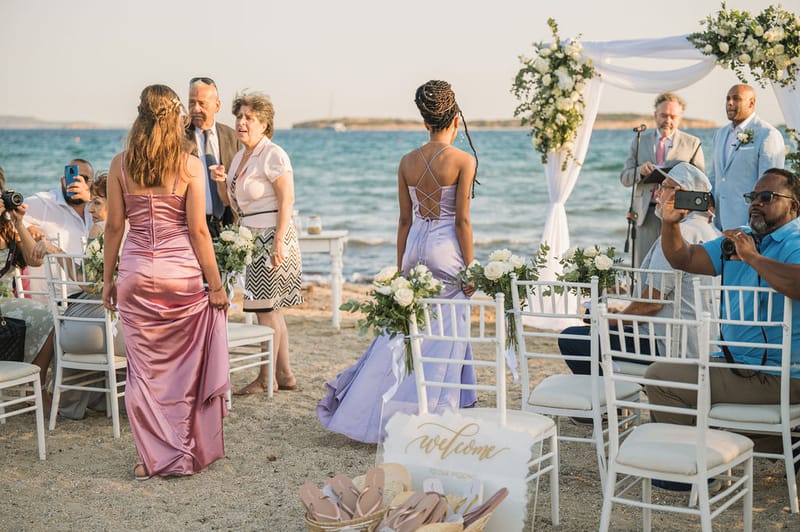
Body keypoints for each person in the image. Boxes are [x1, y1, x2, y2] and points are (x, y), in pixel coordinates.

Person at [316, 79, 480, 443]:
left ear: (425, 122)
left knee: (407, 330)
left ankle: (369, 408)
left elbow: (404, 220)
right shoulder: (463, 160)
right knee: (446, 331)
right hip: (446, 250)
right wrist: (471, 268)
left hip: (414, 250)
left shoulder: (406, 161)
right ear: (455, 119)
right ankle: (434, 411)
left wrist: (400, 270)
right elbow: (462, 221)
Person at [102, 84, 230, 480]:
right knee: (182, 372)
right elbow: (198, 232)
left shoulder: (120, 165)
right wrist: (216, 285)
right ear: (176, 118)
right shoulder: (189, 166)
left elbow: (114, 228)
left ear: (139, 116)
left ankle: (149, 459)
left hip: (136, 275)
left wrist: (107, 280)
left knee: (143, 372)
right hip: (181, 277)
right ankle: (181, 451)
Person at [648, 168, 800, 459]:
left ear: (793, 206)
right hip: (736, 364)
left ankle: (692, 468)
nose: (756, 203)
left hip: (782, 375)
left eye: (766, 197)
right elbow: (684, 257)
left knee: (662, 379)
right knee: (669, 381)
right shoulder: (742, 238)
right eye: (752, 197)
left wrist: (752, 258)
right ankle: (705, 460)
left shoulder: (794, 242)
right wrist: (670, 225)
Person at [560, 163, 720, 375]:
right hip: (704, 345)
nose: (658, 193)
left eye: (663, 187)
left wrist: (610, 320)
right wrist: (620, 315)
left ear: (679, 194)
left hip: (667, 345)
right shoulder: (714, 234)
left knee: (571, 338)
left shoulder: (677, 237)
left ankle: (611, 394)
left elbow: (652, 303)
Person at [211, 91, 303, 394]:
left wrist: (279, 241)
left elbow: (287, 199)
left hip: (272, 236)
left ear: (264, 124)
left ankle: (266, 378)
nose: (241, 122)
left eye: (249, 118)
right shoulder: (239, 157)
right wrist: (220, 182)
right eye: (239, 116)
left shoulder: (273, 154)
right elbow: (231, 204)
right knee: (271, 310)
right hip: (250, 238)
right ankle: (285, 375)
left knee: (266, 310)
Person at [621, 92, 704, 267]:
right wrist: (640, 171)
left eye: (673, 116)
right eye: (664, 115)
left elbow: (700, 182)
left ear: (680, 118)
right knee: (643, 265)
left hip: (677, 213)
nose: (668, 120)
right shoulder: (639, 141)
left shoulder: (692, 143)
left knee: (673, 266)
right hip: (646, 214)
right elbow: (625, 178)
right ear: (655, 115)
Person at [0, 166, 55, 400]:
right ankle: (36, 389)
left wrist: (19, 223)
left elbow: (35, 261)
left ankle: (36, 385)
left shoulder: (7, 227)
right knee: (50, 317)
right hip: (5, 305)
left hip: (7, 302)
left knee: (54, 316)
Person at [708, 84, 785, 231]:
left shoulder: (768, 134)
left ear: (751, 103)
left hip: (749, 223)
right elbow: (714, 176)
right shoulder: (720, 134)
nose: (730, 103)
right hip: (718, 224)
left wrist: (754, 226)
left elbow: (770, 187)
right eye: (728, 99)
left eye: (736, 99)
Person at [21, 158, 94, 296]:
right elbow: (9, 211)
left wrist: (90, 198)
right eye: (72, 176)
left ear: (92, 183)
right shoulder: (45, 202)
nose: (77, 182)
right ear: (62, 180)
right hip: (59, 299)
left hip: (91, 293)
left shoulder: (97, 207)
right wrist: (28, 226)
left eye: (84, 178)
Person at [186, 77, 240, 237]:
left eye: (202, 104)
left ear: (217, 106)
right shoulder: (178, 136)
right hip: (190, 227)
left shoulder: (232, 136)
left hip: (226, 226)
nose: (195, 109)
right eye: (191, 102)